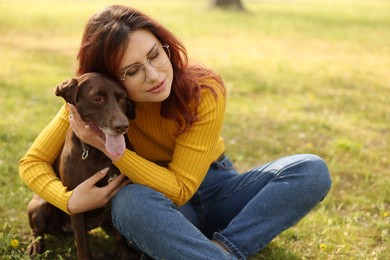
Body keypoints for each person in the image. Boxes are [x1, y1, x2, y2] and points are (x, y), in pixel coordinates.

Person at [19, 4, 332, 259]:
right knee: (130, 202)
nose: (154, 75)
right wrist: (68, 200)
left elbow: (182, 187)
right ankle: (189, 244)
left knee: (310, 169)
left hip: (215, 187)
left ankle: (220, 251)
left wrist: (111, 148)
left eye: (155, 54)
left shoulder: (203, 89)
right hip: (160, 205)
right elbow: (31, 163)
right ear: (110, 80)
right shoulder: (93, 103)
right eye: (132, 71)